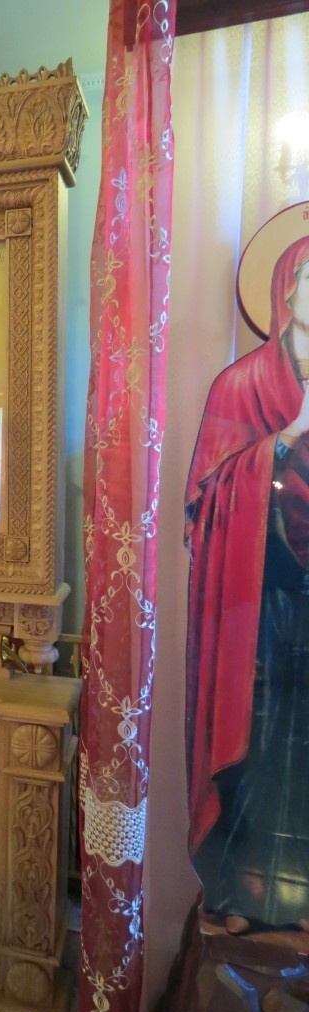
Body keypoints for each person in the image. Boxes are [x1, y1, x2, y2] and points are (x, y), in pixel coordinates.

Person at [185, 236, 309, 935]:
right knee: (253, 738)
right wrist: (286, 439)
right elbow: (206, 496)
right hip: (253, 600)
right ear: (286, 287)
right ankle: (238, 896)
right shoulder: (240, 386)